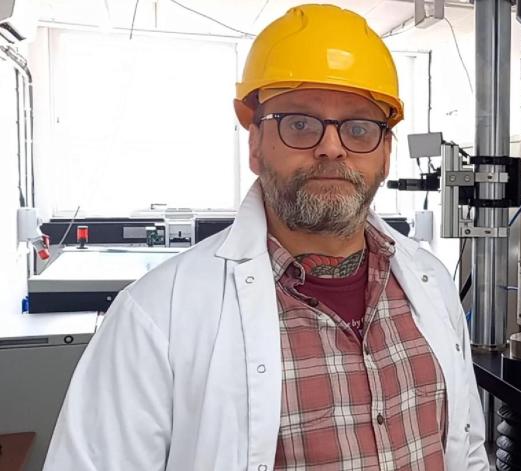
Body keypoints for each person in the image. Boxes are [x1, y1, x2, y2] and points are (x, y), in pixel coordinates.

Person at [43, 4, 489, 470]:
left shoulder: (432, 284)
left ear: (385, 154)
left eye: (359, 128)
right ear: (255, 144)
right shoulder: (157, 315)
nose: (331, 146)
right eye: (300, 123)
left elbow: (467, 448)